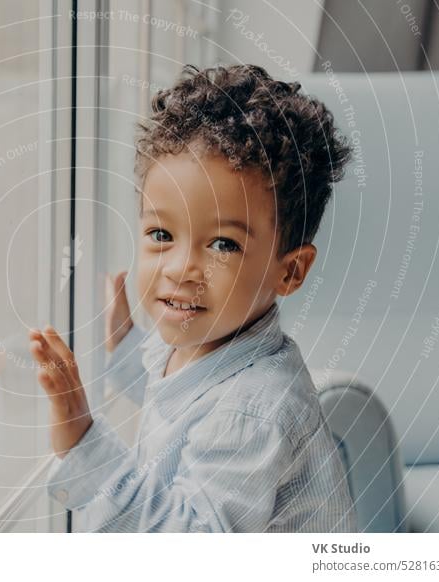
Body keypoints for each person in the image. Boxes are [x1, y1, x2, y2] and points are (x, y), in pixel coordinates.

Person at [28, 64, 358, 532]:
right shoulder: (208, 338)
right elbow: (182, 398)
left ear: (290, 271)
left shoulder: (253, 410)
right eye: (161, 233)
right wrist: (125, 346)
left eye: (223, 244)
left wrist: (82, 440)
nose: (180, 268)